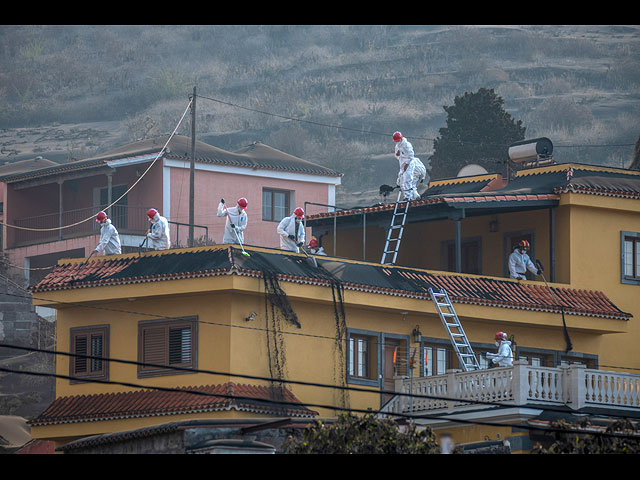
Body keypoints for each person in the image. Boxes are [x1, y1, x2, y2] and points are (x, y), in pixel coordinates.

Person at [393, 131, 426, 201]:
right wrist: (397, 154)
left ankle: (408, 197)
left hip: (409, 164)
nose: (397, 141)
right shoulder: (397, 146)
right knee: (403, 180)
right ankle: (416, 197)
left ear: (400, 138)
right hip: (402, 164)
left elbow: (411, 156)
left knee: (408, 180)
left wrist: (407, 164)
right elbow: (396, 156)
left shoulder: (407, 145)